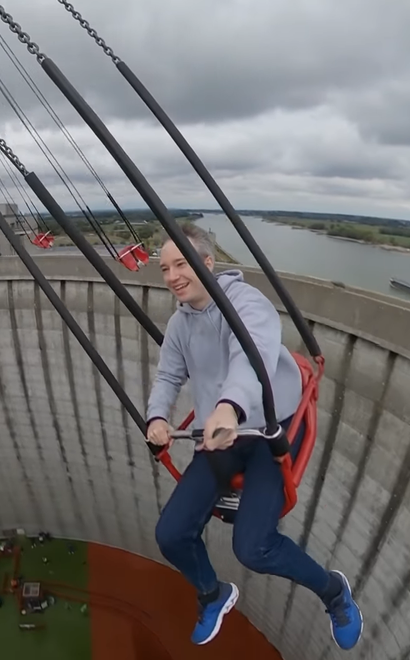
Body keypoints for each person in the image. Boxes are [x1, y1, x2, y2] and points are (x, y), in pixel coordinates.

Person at [146, 223, 363, 649]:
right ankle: (213, 593)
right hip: (222, 435)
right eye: (165, 268)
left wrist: (230, 406)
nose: (172, 276)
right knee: (170, 534)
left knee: (255, 547)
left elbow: (252, 357)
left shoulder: (247, 304)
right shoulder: (179, 325)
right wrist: (156, 416)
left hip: (269, 427)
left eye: (180, 264)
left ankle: (334, 593)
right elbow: (169, 375)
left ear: (207, 264)